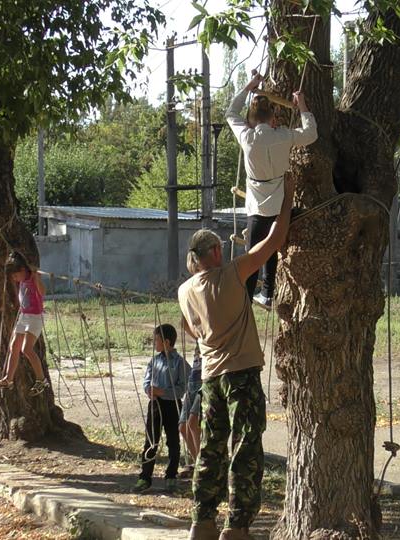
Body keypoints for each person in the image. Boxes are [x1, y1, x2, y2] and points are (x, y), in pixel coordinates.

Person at [178, 171, 296, 540]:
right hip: (242, 373)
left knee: (211, 447)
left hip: (210, 376)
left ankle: (202, 520)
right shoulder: (232, 273)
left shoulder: (185, 289)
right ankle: (238, 526)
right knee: (246, 446)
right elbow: (276, 240)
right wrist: (287, 196)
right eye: (220, 249)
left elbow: (188, 328)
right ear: (214, 252)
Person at [224, 70, 317, 308]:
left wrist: (249, 87)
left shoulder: (246, 136)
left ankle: (245, 298)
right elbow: (311, 134)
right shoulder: (283, 136)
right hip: (280, 200)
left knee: (254, 251)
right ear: (273, 118)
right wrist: (303, 106)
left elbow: (230, 113)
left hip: (256, 203)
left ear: (251, 120)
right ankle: (267, 292)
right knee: (272, 247)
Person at [134, 324, 188, 493]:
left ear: (166, 342)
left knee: (173, 441)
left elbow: (182, 389)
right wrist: (149, 390)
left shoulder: (180, 363)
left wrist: (163, 391)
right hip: (155, 405)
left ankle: (171, 476)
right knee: (151, 441)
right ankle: (145, 477)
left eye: (156, 340)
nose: (154, 343)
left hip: (172, 405)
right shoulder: (154, 361)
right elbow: (146, 381)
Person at [0, 254, 49, 395]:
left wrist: (36, 277)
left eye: (15, 276)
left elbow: (43, 293)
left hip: (35, 317)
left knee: (26, 349)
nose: (14, 279)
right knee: (14, 346)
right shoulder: (22, 278)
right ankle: (8, 379)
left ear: (23, 270)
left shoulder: (33, 278)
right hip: (24, 316)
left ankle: (42, 380)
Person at [179, 346, 203, 477]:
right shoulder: (198, 334)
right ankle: (198, 463)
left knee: (193, 423)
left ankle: (203, 468)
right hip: (193, 380)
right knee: (183, 427)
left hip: (207, 381)